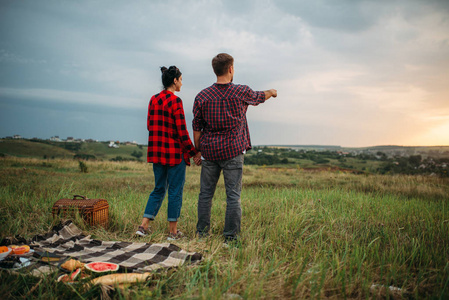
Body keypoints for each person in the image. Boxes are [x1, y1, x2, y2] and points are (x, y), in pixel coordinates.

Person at [192, 53, 277, 242]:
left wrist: (198, 150)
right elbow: (260, 96)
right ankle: (230, 238)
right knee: (233, 196)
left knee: (205, 195)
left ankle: (202, 235)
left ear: (215, 70)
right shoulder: (241, 91)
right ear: (230, 69)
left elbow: (197, 128)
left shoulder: (202, 96)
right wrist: (272, 91)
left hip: (210, 151)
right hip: (233, 151)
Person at [136, 66, 202, 240]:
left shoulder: (153, 99)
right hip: (174, 154)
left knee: (158, 189)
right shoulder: (176, 101)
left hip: (157, 152)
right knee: (174, 192)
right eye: (181, 79)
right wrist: (194, 152)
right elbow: (182, 131)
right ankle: (173, 233)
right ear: (175, 80)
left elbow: (150, 126)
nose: (182, 82)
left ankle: (143, 227)